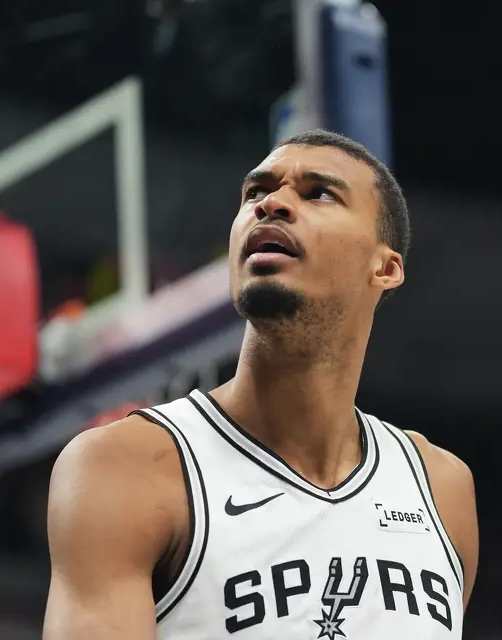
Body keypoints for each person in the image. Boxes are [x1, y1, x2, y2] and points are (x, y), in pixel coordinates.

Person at [43, 130, 479, 639]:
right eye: (256, 193)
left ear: (384, 267)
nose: (272, 203)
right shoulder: (127, 465)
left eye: (319, 193)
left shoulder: (440, 487)